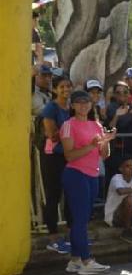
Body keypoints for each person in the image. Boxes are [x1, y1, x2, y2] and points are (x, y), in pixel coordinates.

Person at [60, 90, 115, 275]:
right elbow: (69, 156)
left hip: (93, 175)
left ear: (91, 105)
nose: (83, 105)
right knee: (81, 220)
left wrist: (106, 141)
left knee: (81, 219)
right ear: (73, 105)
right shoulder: (68, 125)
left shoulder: (97, 125)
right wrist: (91, 145)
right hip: (76, 174)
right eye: (79, 102)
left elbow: (104, 155)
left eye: (86, 102)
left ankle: (75, 260)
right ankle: (86, 260)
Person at [39, 76, 75, 254]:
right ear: (55, 90)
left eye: (68, 86)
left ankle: (70, 235)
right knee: (53, 196)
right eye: (62, 87)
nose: (66, 89)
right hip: (53, 157)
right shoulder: (50, 108)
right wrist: (72, 130)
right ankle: (53, 238)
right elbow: (52, 135)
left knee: (70, 195)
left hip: (69, 156)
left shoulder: (72, 108)